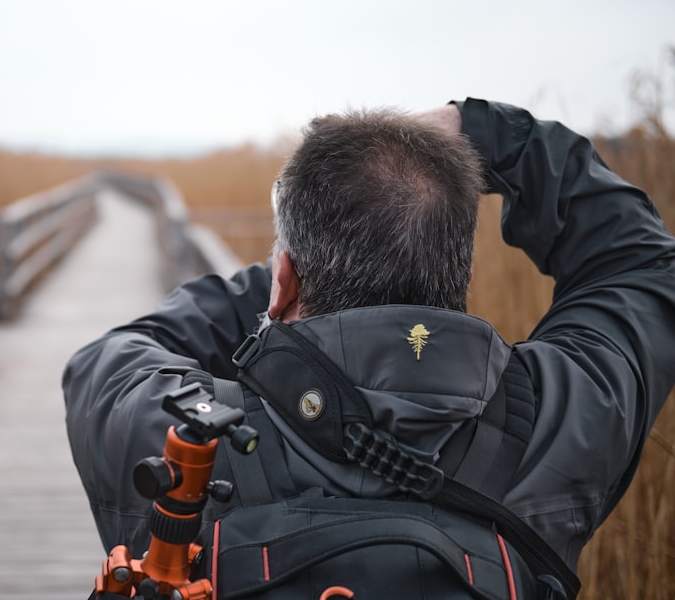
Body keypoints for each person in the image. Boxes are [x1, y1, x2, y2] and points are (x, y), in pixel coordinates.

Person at [62, 98, 675, 578]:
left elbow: (115, 354)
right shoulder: (559, 423)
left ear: (282, 280)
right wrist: (485, 131)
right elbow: (639, 263)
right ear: (459, 270)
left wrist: (291, 273)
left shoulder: (184, 439)